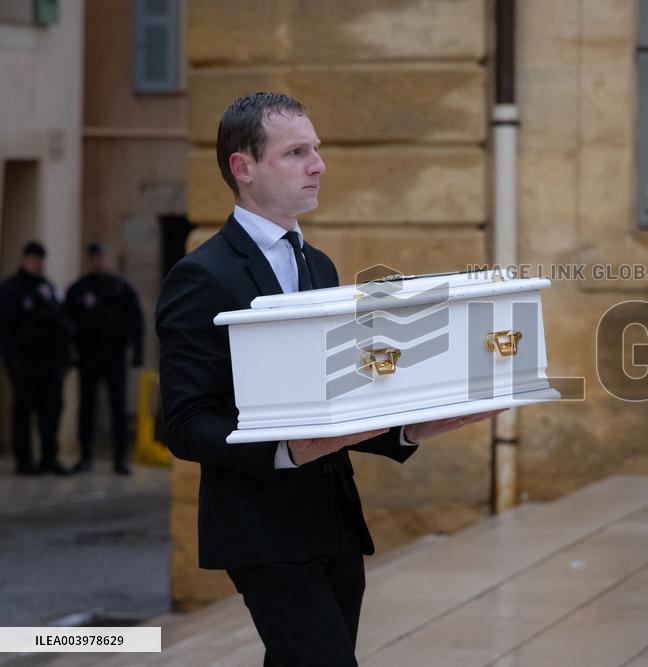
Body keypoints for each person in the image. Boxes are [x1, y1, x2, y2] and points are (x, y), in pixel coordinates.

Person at [155, 92, 500, 665]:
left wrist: (412, 429)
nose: (319, 164)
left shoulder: (319, 266)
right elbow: (186, 424)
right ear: (244, 168)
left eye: (316, 149)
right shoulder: (201, 276)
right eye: (296, 152)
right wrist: (286, 451)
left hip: (333, 522)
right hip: (260, 525)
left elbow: (340, 399)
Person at [66, 242, 144, 474]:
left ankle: (120, 457)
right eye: (94, 258)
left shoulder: (120, 287)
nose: (98, 262)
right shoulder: (79, 289)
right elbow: (67, 321)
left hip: (115, 353)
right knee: (87, 404)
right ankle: (86, 455)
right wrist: (70, 350)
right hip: (88, 354)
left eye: (101, 257)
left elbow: (136, 319)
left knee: (117, 405)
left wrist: (137, 349)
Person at [0, 241, 73, 475]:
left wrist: (65, 357)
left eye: (40, 260)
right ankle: (24, 460)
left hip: (49, 362)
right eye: (33, 259)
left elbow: (62, 322)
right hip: (25, 362)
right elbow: (6, 329)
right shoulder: (11, 289)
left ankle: (49, 457)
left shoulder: (48, 288)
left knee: (50, 411)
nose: (37, 264)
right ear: (24, 259)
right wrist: (12, 361)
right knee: (23, 412)